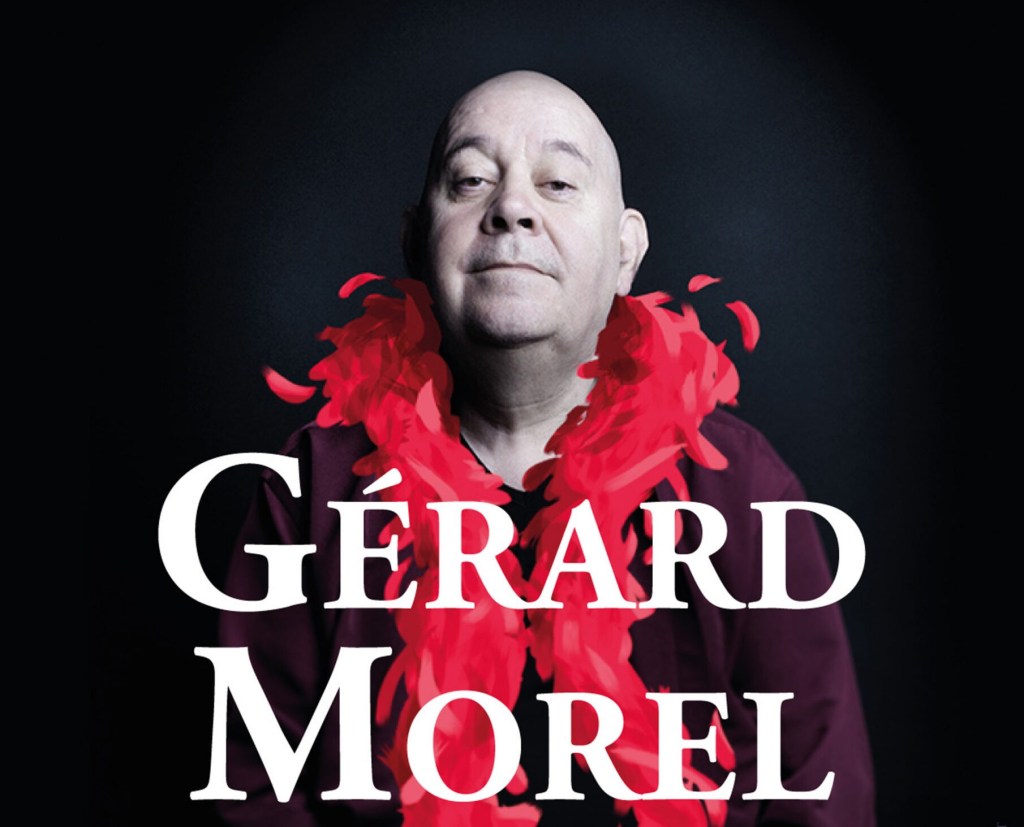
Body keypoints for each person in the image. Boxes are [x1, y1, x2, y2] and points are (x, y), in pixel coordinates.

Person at [217, 70, 875, 826]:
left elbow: (819, 792)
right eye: (471, 180)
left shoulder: (739, 488)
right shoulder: (313, 486)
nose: (511, 208)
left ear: (626, 251)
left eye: (558, 183)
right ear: (414, 241)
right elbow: (251, 788)